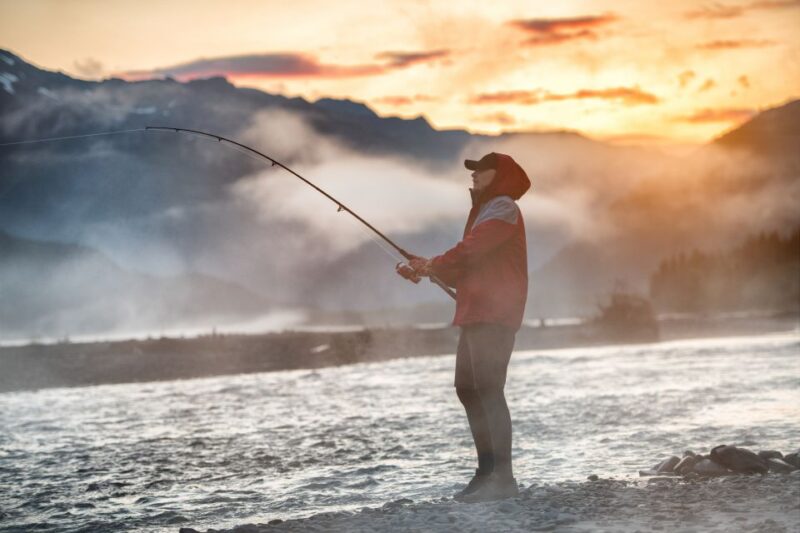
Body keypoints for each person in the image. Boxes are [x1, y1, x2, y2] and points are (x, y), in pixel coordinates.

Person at [396, 151, 531, 503]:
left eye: (480, 170)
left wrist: (431, 265)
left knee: (488, 389)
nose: (473, 175)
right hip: (475, 311)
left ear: (497, 175)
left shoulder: (503, 207)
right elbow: (465, 264)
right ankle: (486, 473)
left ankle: (503, 478)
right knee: (467, 389)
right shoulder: (485, 210)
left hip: (495, 313)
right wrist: (424, 268)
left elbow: (471, 250)